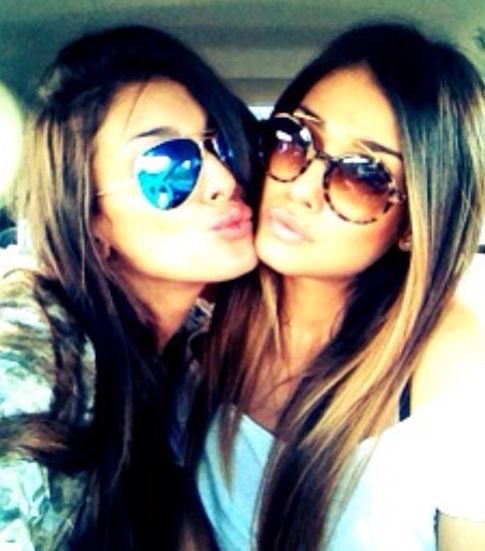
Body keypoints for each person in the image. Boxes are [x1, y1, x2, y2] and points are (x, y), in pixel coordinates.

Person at [194, 22, 485, 551]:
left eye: (364, 176)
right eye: (294, 141)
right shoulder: (201, 310)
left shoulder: (447, 356)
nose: (302, 188)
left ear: (412, 227)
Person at [0, 24, 259, 551]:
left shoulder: (193, 342)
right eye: (167, 165)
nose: (221, 180)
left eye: (222, 146)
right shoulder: (37, 339)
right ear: (91, 220)